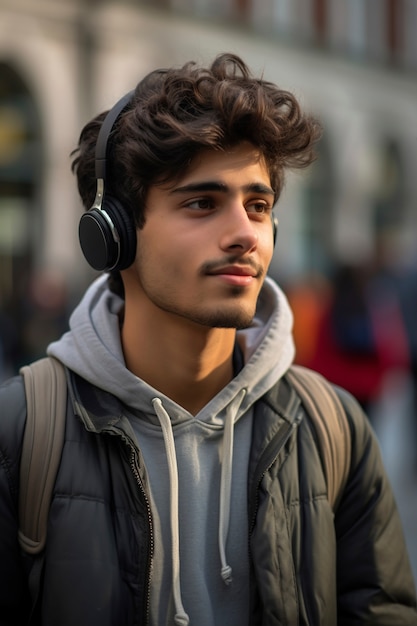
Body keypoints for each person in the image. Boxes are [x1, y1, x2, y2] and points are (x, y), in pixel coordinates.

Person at [0, 53, 416, 626]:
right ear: (111, 235)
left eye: (259, 206)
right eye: (202, 203)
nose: (246, 234)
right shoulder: (19, 435)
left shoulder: (334, 429)